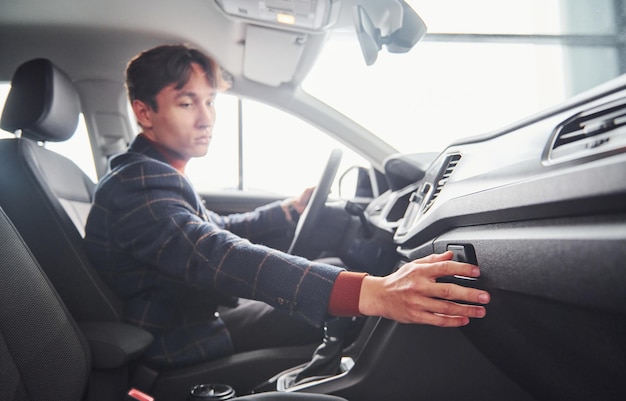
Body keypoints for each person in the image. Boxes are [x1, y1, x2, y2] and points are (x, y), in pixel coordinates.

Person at [84, 44, 490, 369]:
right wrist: (374, 293)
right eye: (187, 103)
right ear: (144, 112)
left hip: (193, 314)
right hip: (180, 338)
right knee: (355, 305)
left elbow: (215, 227)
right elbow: (217, 254)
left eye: (210, 102)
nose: (207, 118)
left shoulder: (150, 173)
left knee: (332, 267)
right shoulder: (138, 184)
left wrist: (288, 212)